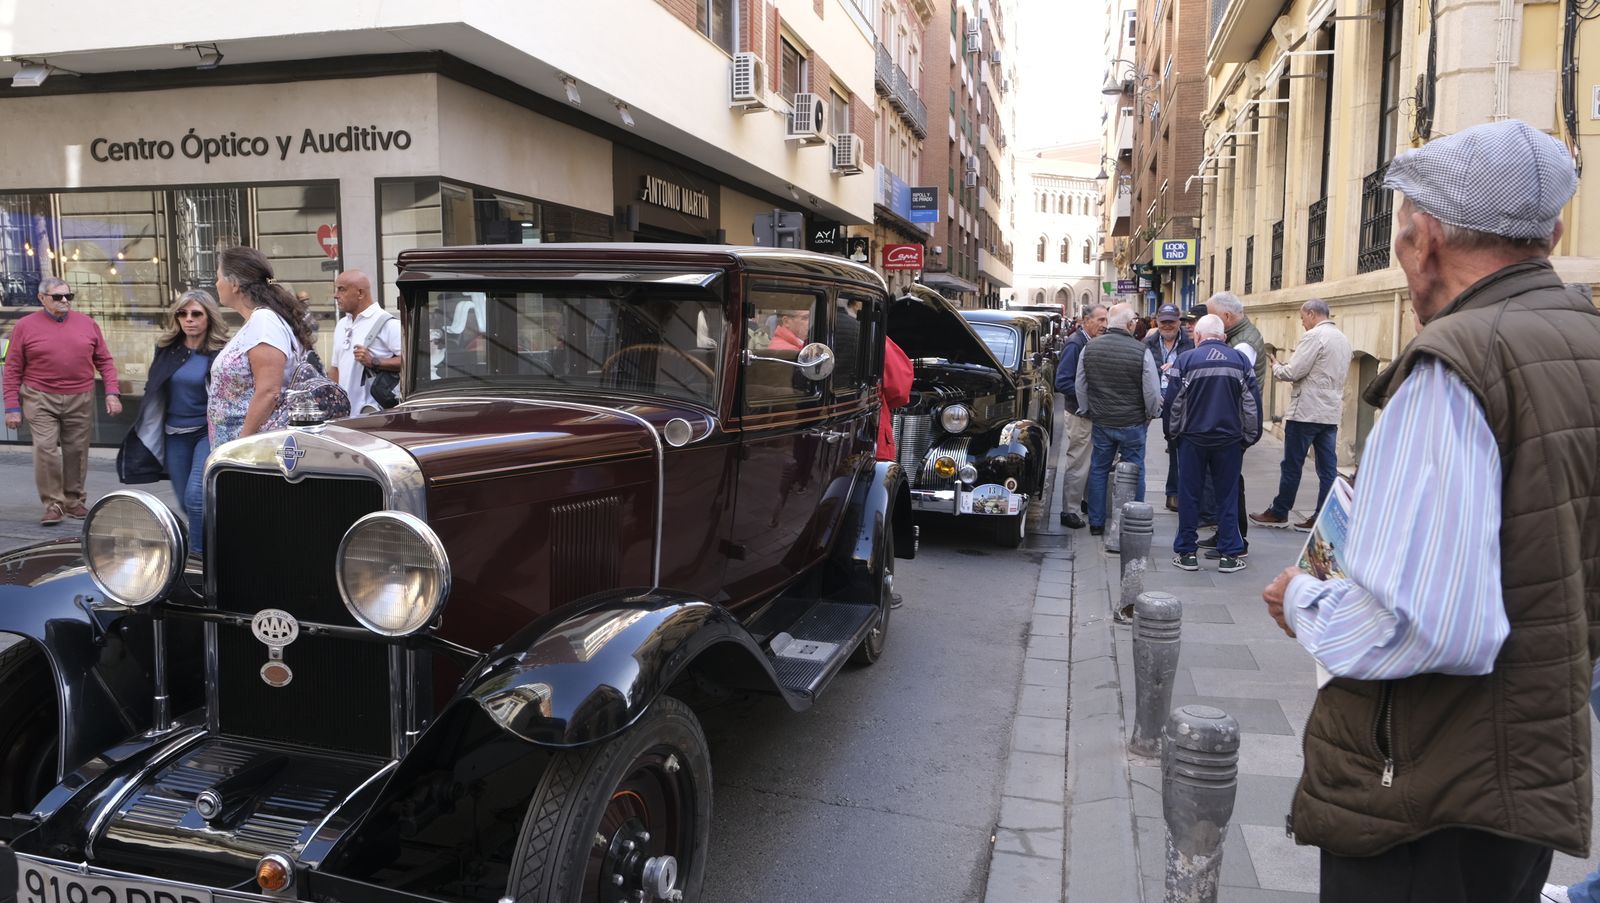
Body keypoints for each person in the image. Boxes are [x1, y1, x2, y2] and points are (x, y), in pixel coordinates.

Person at [1262, 119, 1600, 902]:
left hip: (1422, 792)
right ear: (1548, 234)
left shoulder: (1454, 367)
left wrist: (1305, 601)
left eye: (1403, 237)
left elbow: (1428, 621)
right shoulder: (1582, 338)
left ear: (1426, 242)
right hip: (1522, 776)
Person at [116, 290, 229, 554]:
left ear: (209, 317)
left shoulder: (221, 351)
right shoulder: (166, 348)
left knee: (195, 495)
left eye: (196, 314)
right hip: (174, 433)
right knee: (184, 500)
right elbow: (155, 388)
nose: (189, 319)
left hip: (206, 432)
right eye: (182, 313)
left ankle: (200, 558)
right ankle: (215, 541)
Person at [2, 277, 122, 525]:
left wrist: (112, 392)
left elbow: (105, 361)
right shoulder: (24, 326)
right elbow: (12, 369)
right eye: (58, 297)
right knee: (46, 449)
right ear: (42, 298)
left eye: (69, 296)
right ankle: (53, 503)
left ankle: (74, 500)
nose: (65, 301)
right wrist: (12, 407)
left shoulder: (87, 324)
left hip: (80, 394)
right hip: (39, 396)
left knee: (76, 450)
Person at [1163, 314, 1259, 574]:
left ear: (1197, 336)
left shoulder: (1185, 360)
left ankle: (1187, 553)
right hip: (1229, 440)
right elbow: (1251, 404)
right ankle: (1229, 555)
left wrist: (1173, 435)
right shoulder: (1240, 361)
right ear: (1224, 337)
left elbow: (1173, 403)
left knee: (1189, 495)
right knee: (1227, 496)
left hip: (1193, 439)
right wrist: (1249, 437)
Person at [1250, 298, 1352, 530]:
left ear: (1312, 314)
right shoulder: (1343, 339)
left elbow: (1294, 372)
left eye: (1303, 318)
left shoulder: (1314, 336)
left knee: (1292, 464)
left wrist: (1276, 367)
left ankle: (1279, 512)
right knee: (1327, 468)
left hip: (1306, 411)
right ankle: (1322, 516)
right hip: (1330, 411)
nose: (1303, 323)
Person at [208, 247, 314, 447]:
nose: (216, 284)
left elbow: (269, 391)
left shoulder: (264, 321)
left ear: (234, 284)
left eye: (218, 277)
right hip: (243, 446)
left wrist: (241, 445)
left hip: (253, 450)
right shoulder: (260, 320)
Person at [1075, 302, 1161, 535]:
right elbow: (1152, 391)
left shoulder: (1089, 348)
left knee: (1099, 469)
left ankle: (1096, 522)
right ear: (1130, 324)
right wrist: (1151, 413)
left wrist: (1086, 409)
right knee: (1135, 469)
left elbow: (1080, 386)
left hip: (1102, 421)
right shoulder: (1141, 351)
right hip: (1132, 422)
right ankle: (1132, 520)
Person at [1197, 291, 1264, 558]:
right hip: (1231, 422)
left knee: (1229, 483)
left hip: (1232, 424)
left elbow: (1233, 383)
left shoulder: (1243, 344)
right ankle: (1227, 534)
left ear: (1226, 316)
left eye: (1212, 315)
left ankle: (1236, 540)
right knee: (1228, 481)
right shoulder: (1238, 336)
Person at [1055, 304, 1106, 529]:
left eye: (1106, 320)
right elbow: (1062, 381)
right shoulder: (1076, 343)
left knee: (1089, 461)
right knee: (1078, 462)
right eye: (1100, 320)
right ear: (1086, 320)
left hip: (1088, 412)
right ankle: (1069, 511)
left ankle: (1084, 503)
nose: (1104, 325)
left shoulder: (1089, 342)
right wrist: (1088, 397)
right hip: (1078, 413)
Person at [329, 270, 402, 414]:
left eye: (342, 289)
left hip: (373, 416)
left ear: (360, 293)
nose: (336, 295)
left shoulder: (388, 324)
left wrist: (375, 361)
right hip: (344, 417)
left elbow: (411, 363)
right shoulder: (342, 324)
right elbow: (335, 368)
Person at [1144, 304, 1194, 512]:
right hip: (1153, 400)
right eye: (1163, 321)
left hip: (1179, 402)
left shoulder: (1190, 344)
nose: (1167, 325)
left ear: (1179, 321)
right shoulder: (1148, 343)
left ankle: (1173, 494)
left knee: (1176, 446)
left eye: (1171, 321)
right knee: (1139, 444)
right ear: (1157, 321)